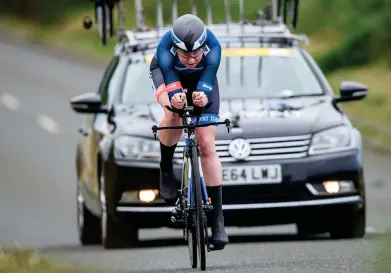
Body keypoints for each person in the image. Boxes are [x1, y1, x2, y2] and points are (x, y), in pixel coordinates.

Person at [149, 14, 229, 250]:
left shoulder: (213, 47)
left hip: (202, 80)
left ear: (204, 47)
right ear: (176, 48)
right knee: (173, 112)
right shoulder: (165, 48)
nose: (192, 59)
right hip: (168, 74)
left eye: (196, 54)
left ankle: (218, 221)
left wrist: (203, 94)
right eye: (185, 54)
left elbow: (208, 77)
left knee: (206, 142)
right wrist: (175, 98)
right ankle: (166, 167)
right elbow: (170, 81)